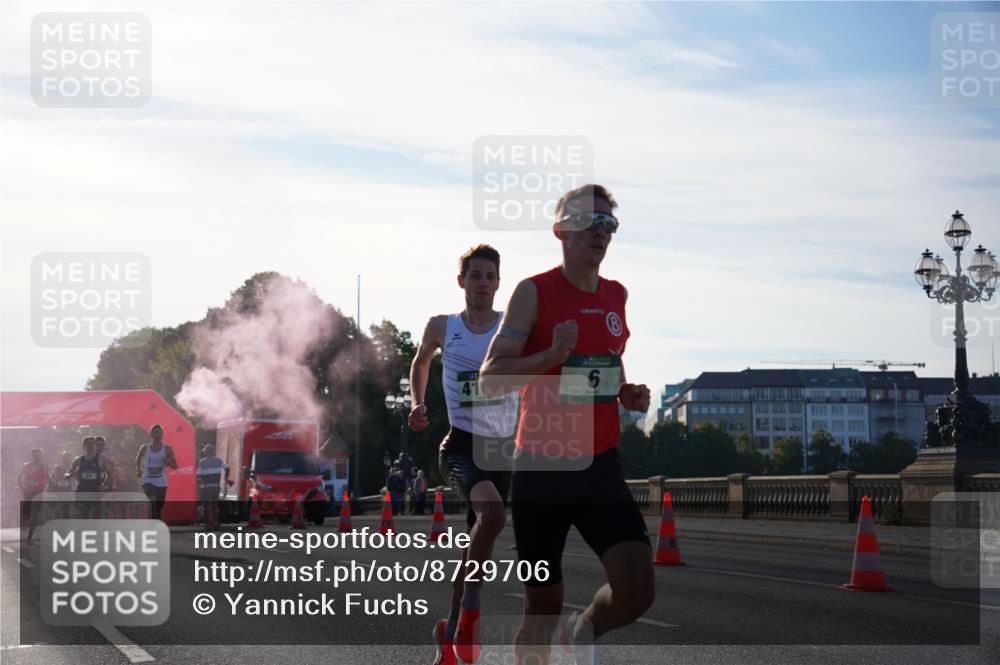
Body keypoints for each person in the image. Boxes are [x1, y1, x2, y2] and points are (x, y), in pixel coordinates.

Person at [479, 184, 654, 665]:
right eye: (589, 221)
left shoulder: (617, 296)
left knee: (638, 590)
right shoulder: (534, 292)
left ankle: (583, 630)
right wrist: (550, 355)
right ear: (560, 230)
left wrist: (626, 393)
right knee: (542, 605)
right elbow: (490, 378)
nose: (601, 232)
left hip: (599, 464)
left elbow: (602, 369)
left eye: (609, 224)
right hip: (541, 468)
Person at [409, 243, 518, 665]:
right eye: (476, 276)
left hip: (502, 450)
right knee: (492, 517)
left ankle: (449, 628)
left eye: (491, 277)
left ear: (498, 284)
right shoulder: (442, 326)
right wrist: (418, 403)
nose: (483, 284)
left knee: (475, 547)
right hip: (460, 445)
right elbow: (420, 363)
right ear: (462, 281)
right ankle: (469, 623)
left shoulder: (512, 328)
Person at [136, 424, 178, 521]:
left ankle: (157, 524)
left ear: (162, 434)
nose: (158, 435)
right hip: (147, 480)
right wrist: (139, 470)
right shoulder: (145, 448)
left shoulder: (167, 449)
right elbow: (139, 458)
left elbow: (175, 466)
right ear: (151, 434)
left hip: (161, 482)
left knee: (158, 508)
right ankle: (152, 524)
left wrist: (167, 462)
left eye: (160, 432)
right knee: (152, 500)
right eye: (155, 433)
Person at [65, 436, 113, 519]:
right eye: (88, 444)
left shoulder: (101, 458)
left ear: (95, 446)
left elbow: (110, 474)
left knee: (97, 517)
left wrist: (104, 483)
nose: (91, 446)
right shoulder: (78, 459)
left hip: (96, 491)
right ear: (84, 446)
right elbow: (67, 474)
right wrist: (69, 475)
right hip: (83, 491)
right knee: (84, 517)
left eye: (93, 444)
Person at [196, 444, 230, 530]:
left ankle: (208, 523)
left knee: (207, 505)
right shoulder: (218, 460)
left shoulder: (202, 462)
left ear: (206, 452)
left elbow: (198, 474)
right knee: (215, 505)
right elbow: (227, 467)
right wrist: (226, 476)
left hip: (206, 486)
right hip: (216, 486)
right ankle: (215, 522)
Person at [17, 448, 48, 543]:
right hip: (28, 493)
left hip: (38, 493)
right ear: (32, 456)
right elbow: (19, 477)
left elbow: (48, 479)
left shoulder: (44, 467)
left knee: (35, 515)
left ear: (41, 456)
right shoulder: (26, 466)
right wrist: (22, 488)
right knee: (26, 515)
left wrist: (46, 488)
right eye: (35, 455)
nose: (37, 457)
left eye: (39, 455)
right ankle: (24, 523)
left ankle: (29, 537)